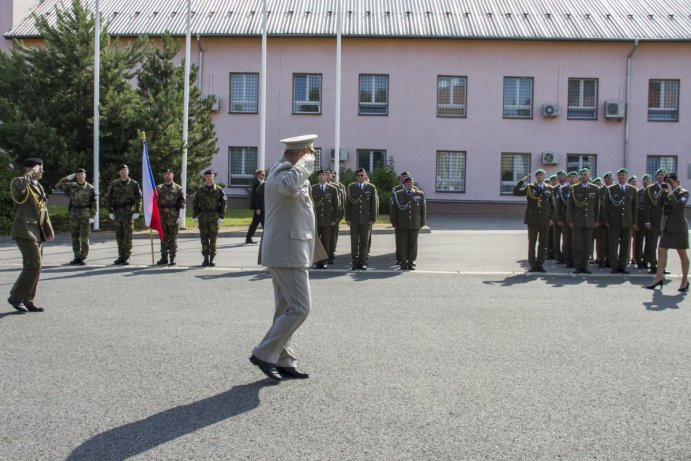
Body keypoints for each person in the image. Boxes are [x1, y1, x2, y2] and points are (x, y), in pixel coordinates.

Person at [250, 134, 318, 382]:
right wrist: (305, 164)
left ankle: (283, 358)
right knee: (300, 308)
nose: (313, 158)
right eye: (310, 153)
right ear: (301, 153)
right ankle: (264, 352)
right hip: (287, 251)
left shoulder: (289, 171)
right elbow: (289, 186)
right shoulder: (282, 172)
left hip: (291, 249)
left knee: (284, 309)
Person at [7, 158, 54, 313]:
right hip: (24, 230)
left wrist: (49, 230)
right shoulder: (20, 181)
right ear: (30, 169)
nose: (41, 171)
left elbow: (43, 209)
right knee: (34, 264)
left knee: (36, 266)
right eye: (39, 169)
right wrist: (31, 173)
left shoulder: (38, 186)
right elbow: (18, 191)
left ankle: (28, 299)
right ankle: (16, 296)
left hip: (36, 231)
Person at [645, 172, 689, 292]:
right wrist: (661, 192)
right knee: (661, 250)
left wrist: (670, 192)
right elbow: (658, 203)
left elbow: (677, 206)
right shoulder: (665, 191)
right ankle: (658, 278)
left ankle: (685, 280)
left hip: (679, 227)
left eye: (670, 182)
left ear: (675, 181)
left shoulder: (683, 192)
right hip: (667, 227)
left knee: (681, 252)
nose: (667, 184)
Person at [513, 169, 554, 272]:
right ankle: (532, 265)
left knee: (543, 243)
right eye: (538, 175)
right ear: (536, 177)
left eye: (542, 175)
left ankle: (540, 264)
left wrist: (551, 218)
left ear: (545, 176)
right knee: (532, 243)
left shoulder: (549, 188)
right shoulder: (529, 187)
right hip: (532, 219)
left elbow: (552, 206)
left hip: (544, 219)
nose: (540, 176)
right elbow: (516, 192)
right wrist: (522, 181)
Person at [55, 167, 97, 265]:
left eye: (82, 174)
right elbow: (58, 186)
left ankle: (83, 257)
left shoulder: (90, 188)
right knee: (74, 237)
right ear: (76, 176)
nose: (80, 176)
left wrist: (93, 215)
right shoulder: (72, 185)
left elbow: (94, 202)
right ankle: (77, 256)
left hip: (85, 214)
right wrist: (68, 178)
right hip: (74, 214)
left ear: (85, 175)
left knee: (84, 238)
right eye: (78, 175)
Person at [603, 168, 638, 274]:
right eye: (620, 175)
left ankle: (623, 265)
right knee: (613, 245)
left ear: (627, 176)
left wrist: (634, 222)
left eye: (623, 175)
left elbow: (634, 207)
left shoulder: (632, 189)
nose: (622, 177)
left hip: (627, 221)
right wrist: (606, 220)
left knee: (625, 244)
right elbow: (606, 206)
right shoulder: (611, 189)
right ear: (617, 177)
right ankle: (614, 265)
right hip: (614, 221)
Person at [106, 164, 142, 265]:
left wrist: (137, 211)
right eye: (121, 170)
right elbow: (109, 198)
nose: (123, 171)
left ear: (128, 171)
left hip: (128, 213)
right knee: (119, 236)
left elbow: (139, 198)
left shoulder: (134, 184)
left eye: (125, 170)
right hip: (117, 213)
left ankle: (127, 256)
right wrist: (110, 211)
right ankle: (121, 256)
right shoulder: (114, 183)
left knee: (128, 236)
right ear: (119, 172)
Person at [567, 168, 600, 274]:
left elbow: (597, 206)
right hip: (577, 220)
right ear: (580, 177)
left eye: (586, 174)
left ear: (589, 176)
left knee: (587, 244)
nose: (584, 176)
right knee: (577, 244)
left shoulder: (595, 188)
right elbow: (570, 206)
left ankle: (585, 265)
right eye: (582, 175)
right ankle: (577, 265)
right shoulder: (574, 188)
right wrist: (570, 220)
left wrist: (596, 220)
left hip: (589, 220)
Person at [192, 169, 227, 267]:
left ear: (213, 177)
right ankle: (205, 259)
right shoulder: (200, 190)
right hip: (203, 216)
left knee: (213, 238)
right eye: (207, 176)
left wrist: (221, 216)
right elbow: (195, 203)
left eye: (210, 176)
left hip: (214, 216)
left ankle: (212, 259)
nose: (208, 178)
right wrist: (195, 215)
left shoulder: (219, 190)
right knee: (204, 238)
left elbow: (224, 203)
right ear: (205, 178)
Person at [390, 176, 426, 270]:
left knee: (413, 244)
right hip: (402, 224)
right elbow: (393, 210)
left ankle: (411, 261)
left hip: (414, 223)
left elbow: (423, 210)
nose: (409, 184)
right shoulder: (398, 194)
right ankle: (403, 262)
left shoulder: (419, 194)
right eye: (407, 183)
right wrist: (394, 222)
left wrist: (422, 222)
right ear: (404, 184)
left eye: (411, 182)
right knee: (403, 244)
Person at [345, 168, 378, 270]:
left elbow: (374, 204)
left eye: (362, 175)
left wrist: (373, 218)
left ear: (365, 176)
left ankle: (362, 262)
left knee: (364, 242)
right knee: (354, 242)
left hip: (366, 219)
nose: (360, 177)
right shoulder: (351, 187)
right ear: (356, 177)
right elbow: (348, 204)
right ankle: (355, 262)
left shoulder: (371, 187)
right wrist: (347, 218)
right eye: (358, 175)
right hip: (354, 220)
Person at [156, 168, 186, 266]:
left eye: (169, 174)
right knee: (163, 238)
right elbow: (154, 202)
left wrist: (181, 216)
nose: (167, 176)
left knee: (173, 238)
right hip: (162, 217)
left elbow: (182, 203)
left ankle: (172, 258)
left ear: (172, 175)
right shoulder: (159, 188)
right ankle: (164, 258)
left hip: (173, 217)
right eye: (165, 174)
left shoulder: (178, 188)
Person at [311, 169, 340, 269]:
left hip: (328, 220)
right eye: (320, 175)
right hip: (316, 220)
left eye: (323, 175)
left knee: (326, 241)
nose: (322, 176)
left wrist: (334, 219)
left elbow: (336, 206)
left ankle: (324, 262)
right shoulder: (312, 188)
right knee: (316, 241)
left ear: (326, 176)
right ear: (318, 177)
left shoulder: (333, 189)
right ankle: (316, 261)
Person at [642, 168, 668, 274]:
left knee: (665, 245)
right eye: (659, 174)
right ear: (656, 176)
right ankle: (653, 265)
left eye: (663, 174)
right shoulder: (650, 189)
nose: (661, 176)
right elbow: (646, 207)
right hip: (654, 220)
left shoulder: (668, 188)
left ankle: (662, 266)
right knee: (652, 244)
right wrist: (647, 221)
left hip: (665, 221)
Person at [634, 174, 653, 268]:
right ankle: (638, 261)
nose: (645, 181)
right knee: (639, 242)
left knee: (649, 242)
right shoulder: (638, 192)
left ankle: (646, 260)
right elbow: (635, 208)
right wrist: (635, 222)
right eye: (644, 180)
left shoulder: (653, 192)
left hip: (651, 221)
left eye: (647, 180)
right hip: (640, 220)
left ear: (651, 181)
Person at [328, 170, 346, 264]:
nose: (332, 177)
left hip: (334, 216)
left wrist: (339, 215)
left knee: (333, 237)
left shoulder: (338, 187)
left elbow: (340, 202)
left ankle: (331, 253)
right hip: (323, 217)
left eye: (333, 176)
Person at [245, 169, 265, 244]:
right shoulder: (257, 184)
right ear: (258, 175)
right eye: (263, 174)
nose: (264, 176)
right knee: (264, 224)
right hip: (259, 208)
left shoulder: (261, 183)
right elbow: (256, 197)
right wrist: (257, 208)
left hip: (261, 207)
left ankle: (248, 239)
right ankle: (266, 240)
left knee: (254, 224)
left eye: (264, 174)